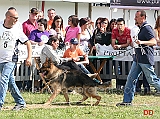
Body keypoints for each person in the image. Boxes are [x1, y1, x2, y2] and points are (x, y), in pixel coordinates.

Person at [116, 10, 160, 106]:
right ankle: (127, 102)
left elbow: (153, 42)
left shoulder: (147, 28)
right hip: (138, 58)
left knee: (152, 80)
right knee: (131, 79)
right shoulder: (140, 28)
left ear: (143, 17)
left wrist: (142, 42)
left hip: (145, 59)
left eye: (136, 17)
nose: (134, 18)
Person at [0, 8, 32, 110]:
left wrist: (29, 57)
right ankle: (20, 102)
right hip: (1, 59)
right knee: (10, 82)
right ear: (8, 17)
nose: (17, 20)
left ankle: (0, 103)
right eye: (16, 18)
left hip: (11, 59)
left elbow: (28, 43)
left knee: (3, 79)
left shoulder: (17, 31)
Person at [111, 18, 131, 89]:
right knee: (117, 68)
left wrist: (120, 46)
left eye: (121, 25)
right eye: (118, 25)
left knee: (126, 68)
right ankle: (118, 85)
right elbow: (113, 41)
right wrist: (114, 46)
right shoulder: (114, 30)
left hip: (127, 51)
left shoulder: (128, 30)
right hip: (118, 52)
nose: (119, 26)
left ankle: (126, 85)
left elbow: (128, 43)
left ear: (124, 25)